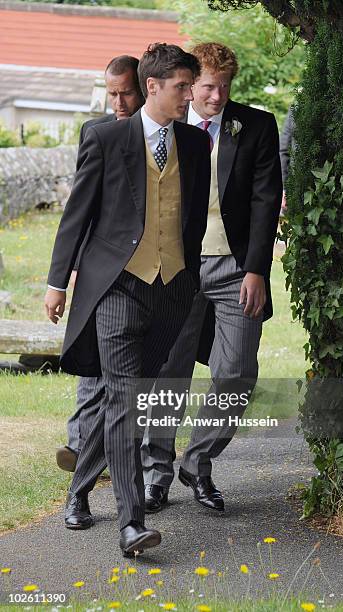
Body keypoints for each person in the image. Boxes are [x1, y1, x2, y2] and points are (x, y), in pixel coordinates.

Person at [44, 42, 210, 556]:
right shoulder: (106, 138)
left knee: (130, 399)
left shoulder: (196, 143)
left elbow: (193, 222)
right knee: (122, 396)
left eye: (192, 85)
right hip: (117, 285)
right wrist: (57, 282)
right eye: (182, 87)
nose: (191, 96)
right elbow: (80, 213)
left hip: (173, 289)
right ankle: (131, 525)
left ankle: (77, 490)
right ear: (153, 87)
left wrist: (188, 277)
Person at [141, 42, 282, 514]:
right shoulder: (166, 124)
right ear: (188, 83)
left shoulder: (257, 126)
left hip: (236, 267)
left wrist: (257, 269)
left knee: (237, 374)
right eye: (206, 87)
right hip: (177, 267)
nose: (216, 97)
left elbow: (266, 202)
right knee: (168, 372)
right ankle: (154, 473)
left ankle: (198, 461)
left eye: (224, 87)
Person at [56, 54, 144, 472]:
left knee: (125, 372)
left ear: (143, 87)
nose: (118, 102)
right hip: (98, 267)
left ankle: (111, 449)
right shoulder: (95, 131)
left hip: (144, 269)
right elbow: (81, 208)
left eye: (125, 92)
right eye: (111, 93)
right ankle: (78, 444)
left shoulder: (165, 135)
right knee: (91, 359)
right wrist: (65, 275)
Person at [279, 105, 295, 213]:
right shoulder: (296, 107)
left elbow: (283, 151)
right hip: (296, 186)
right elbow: (283, 151)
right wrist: (284, 189)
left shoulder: (297, 106)